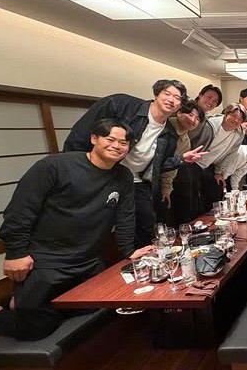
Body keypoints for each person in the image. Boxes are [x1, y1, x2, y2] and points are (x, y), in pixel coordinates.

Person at [0, 119, 152, 341]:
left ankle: (21, 303)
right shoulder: (54, 166)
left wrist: (129, 251)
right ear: (94, 138)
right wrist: (16, 252)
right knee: (36, 328)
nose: (117, 146)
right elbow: (20, 210)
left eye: (123, 143)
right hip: (46, 260)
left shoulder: (123, 176)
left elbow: (125, 216)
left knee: (100, 304)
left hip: (88, 261)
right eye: (110, 139)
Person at [63, 79, 206, 246]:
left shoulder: (169, 134)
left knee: (148, 225)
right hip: (101, 174)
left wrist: (181, 159)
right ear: (156, 94)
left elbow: (158, 165)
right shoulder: (122, 105)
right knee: (94, 223)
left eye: (177, 98)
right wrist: (76, 167)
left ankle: (145, 258)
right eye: (167, 93)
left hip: (136, 180)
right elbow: (82, 132)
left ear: (180, 105)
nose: (171, 100)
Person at [176, 85, 222, 221]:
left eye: (215, 101)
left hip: (192, 164)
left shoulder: (207, 121)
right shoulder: (186, 109)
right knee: (183, 204)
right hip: (177, 162)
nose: (211, 102)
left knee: (193, 200)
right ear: (200, 95)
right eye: (209, 97)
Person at [194, 103, 247, 211]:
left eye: (240, 119)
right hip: (193, 162)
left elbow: (230, 154)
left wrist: (219, 172)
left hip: (210, 165)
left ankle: (214, 218)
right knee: (193, 199)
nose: (236, 120)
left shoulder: (239, 133)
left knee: (217, 189)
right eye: (234, 116)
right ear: (226, 114)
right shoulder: (211, 124)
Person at [159, 100, 204, 225]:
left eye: (197, 119)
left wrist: (166, 187)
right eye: (190, 115)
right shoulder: (163, 126)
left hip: (163, 179)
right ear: (179, 113)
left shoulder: (185, 140)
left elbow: (173, 166)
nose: (193, 120)